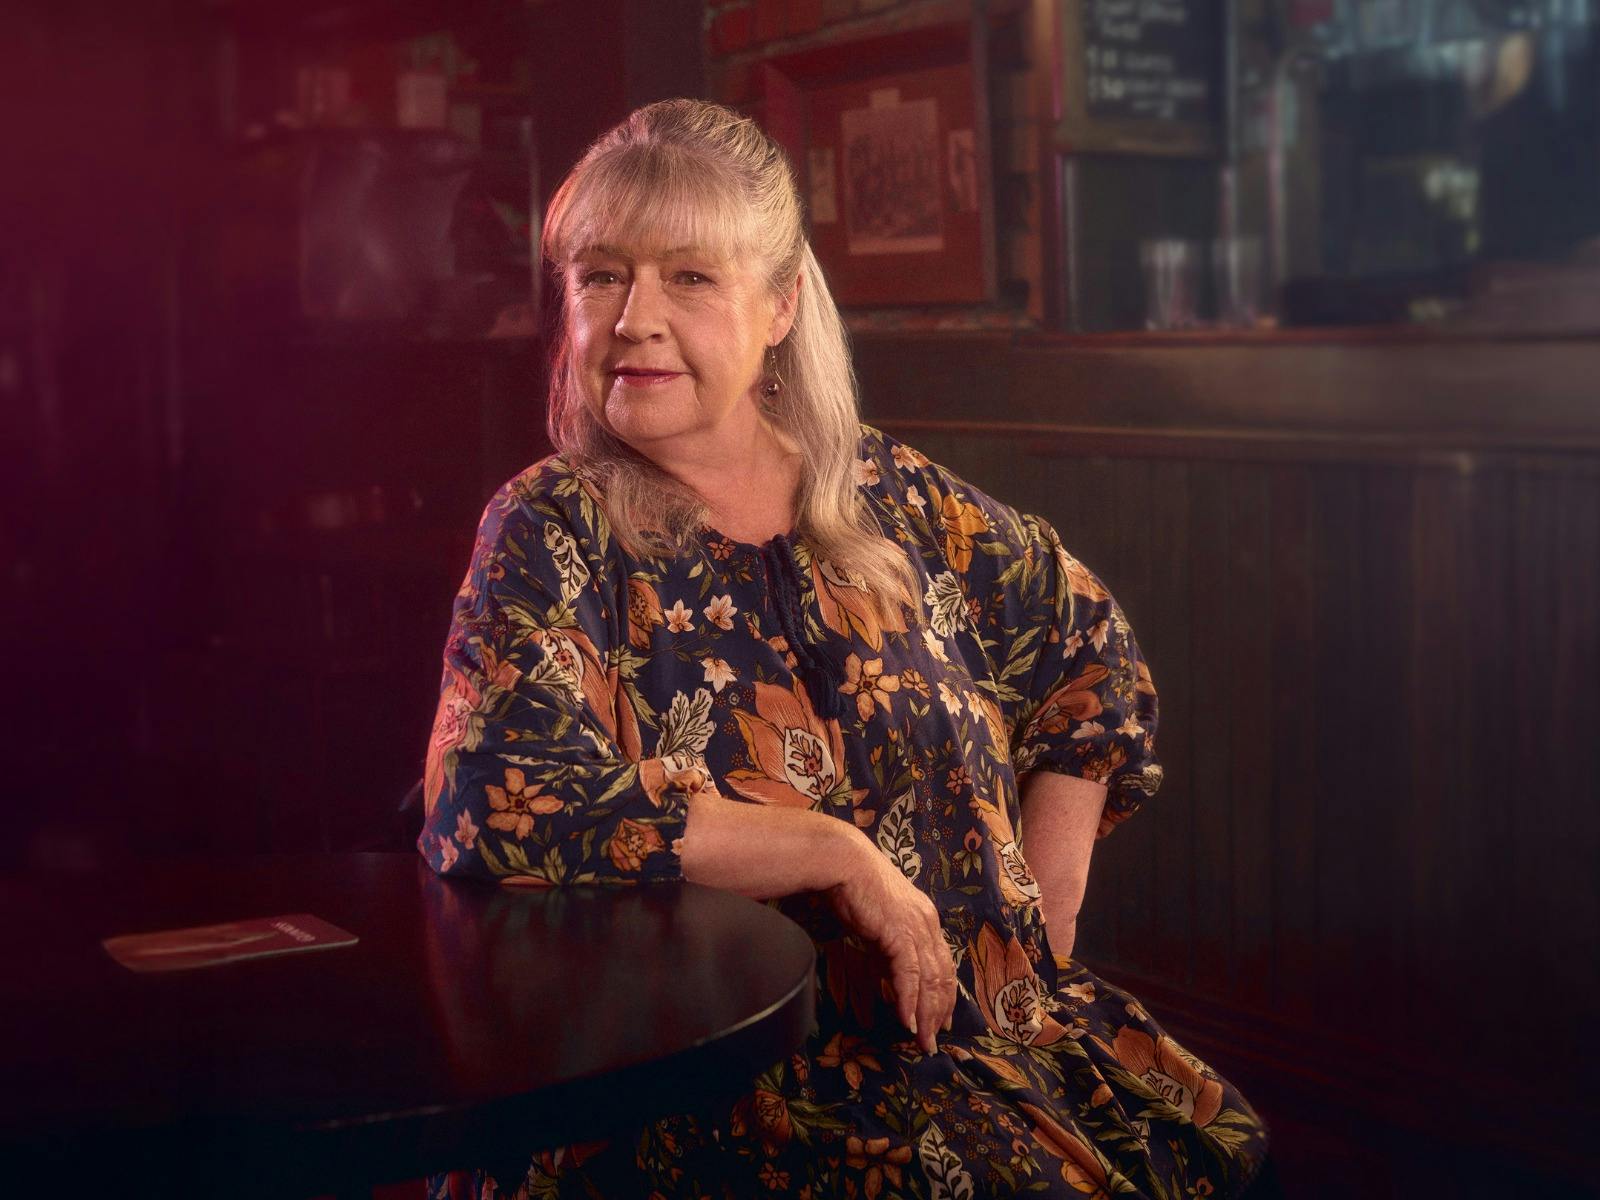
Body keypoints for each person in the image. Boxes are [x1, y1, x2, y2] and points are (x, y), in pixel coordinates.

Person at [417, 98, 1273, 1199]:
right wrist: (834, 853)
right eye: (600, 277)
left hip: (971, 1050)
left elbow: (1087, 651)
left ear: (779, 304)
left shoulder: (894, 498)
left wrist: (1040, 947)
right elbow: (492, 797)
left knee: (1225, 1156)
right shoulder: (549, 528)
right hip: (714, 1090)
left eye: (689, 276)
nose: (633, 319)